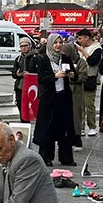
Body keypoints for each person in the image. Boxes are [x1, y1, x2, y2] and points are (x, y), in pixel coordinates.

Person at [32, 35, 77, 166]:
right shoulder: (43, 59)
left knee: (65, 128)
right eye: (55, 43)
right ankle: (46, 157)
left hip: (63, 97)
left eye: (60, 42)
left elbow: (74, 74)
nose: (58, 45)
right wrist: (55, 76)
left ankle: (66, 157)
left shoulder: (66, 58)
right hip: (49, 99)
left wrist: (72, 75)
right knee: (48, 128)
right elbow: (40, 78)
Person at [62, 41, 89, 147]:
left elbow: (83, 77)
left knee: (76, 115)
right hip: (64, 92)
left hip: (75, 92)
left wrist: (73, 77)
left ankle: (77, 138)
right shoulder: (62, 61)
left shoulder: (80, 62)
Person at [78, 29, 103, 135]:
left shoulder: (97, 48)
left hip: (90, 78)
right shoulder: (79, 49)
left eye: (80, 38)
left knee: (89, 104)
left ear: (87, 37)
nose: (79, 41)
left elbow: (92, 61)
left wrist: (83, 51)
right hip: (79, 78)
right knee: (80, 105)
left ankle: (92, 126)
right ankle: (81, 127)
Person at [11, 38, 37, 122]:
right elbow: (14, 73)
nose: (24, 48)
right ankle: (25, 127)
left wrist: (30, 73)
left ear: (30, 46)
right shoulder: (18, 58)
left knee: (35, 110)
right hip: (21, 87)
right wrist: (18, 74)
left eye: (25, 45)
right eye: (21, 46)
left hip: (32, 88)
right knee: (22, 110)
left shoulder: (36, 57)